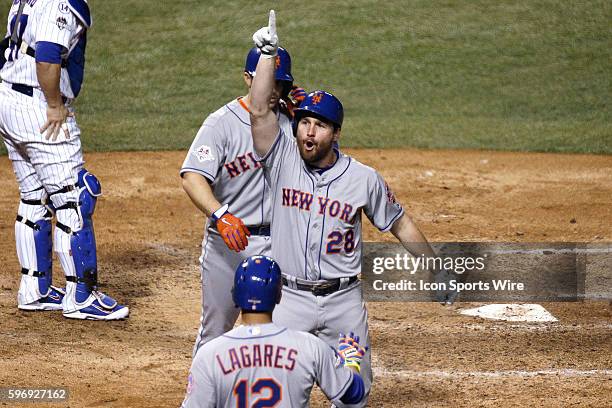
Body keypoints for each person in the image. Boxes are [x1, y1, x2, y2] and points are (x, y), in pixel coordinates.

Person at [248, 11, 456, 406]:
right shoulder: (282, 161)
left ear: (336, 134)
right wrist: (267, 58)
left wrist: (434, 268)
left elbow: (400, 223)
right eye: (304, 122)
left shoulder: (363, 179)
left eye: (320, 125)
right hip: (290, 301)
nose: (309, 131)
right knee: (285, 396)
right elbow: (259, 112)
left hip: (344, 308)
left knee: (353, 395)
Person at [0, 0, 128, 320]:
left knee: (35, 195)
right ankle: (81, 296)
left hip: (9, 100)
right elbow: (46, 56)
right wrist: (55, 105)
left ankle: (35, 289)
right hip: (39, 108)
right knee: (75, 198)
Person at [180, 46, 306, 355]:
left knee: (286, 330)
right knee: (216, 331)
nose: (274, 90)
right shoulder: (221, 123)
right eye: (269, 81)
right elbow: (192, 176)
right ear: (248, 79)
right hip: (230, 242)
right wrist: (221, 214)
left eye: (281, 84)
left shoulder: (293, 122)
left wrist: (311, 117)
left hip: (283, 243)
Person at [181, 255, 366, 407]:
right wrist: (351, 361)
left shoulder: (209, 355)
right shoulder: (310, 347)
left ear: (235, 295)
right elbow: (353, 394)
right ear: (278, 296)